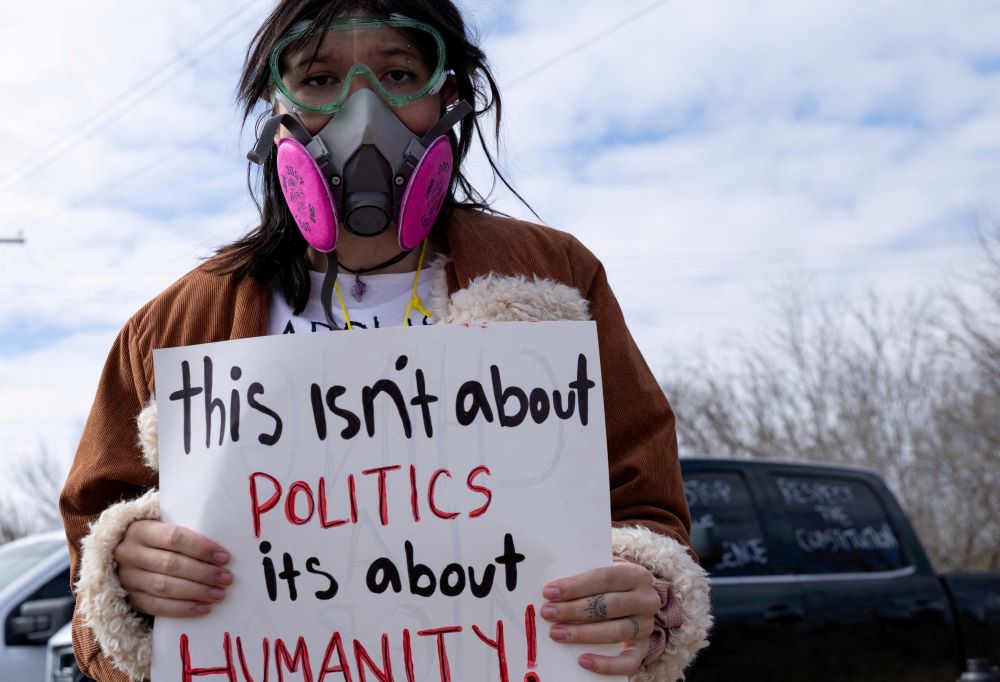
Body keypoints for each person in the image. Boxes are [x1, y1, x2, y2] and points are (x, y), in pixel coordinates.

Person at [59, 1, 711, 680]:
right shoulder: (174, 329)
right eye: (318, 80)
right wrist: (128, 585)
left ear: (447, 98)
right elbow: (90, 591)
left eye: (399, 73)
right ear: (274, 110)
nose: (360, 113)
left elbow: (646, 510)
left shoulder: (556, 279)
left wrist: (646, 593)